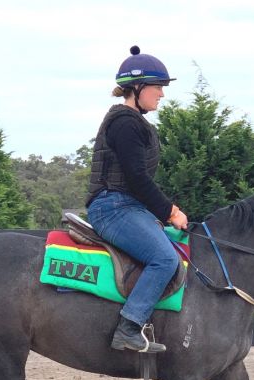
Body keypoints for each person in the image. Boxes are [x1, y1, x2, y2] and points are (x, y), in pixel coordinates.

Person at [86, 45, 188, 354]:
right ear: (137, 87)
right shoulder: (125, 123)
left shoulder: (135, 122)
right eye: (158, 87)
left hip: (127, 207)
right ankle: (129, 328)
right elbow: (137, 178)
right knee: (165, 259)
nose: (162, 94)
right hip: (113, 208)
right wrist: (170, 211)